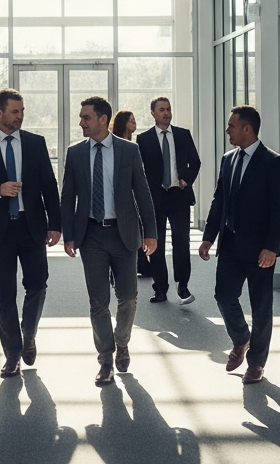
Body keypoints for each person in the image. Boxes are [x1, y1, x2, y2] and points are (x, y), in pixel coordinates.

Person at [0, 88, 61, 378]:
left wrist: (55, 224)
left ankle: (27, 334)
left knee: (38, 285)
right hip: (0, 230)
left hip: (32, 227)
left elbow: (49, 186)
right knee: (4, 294)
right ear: (0, 113)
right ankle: (12, 355)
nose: (20, 116)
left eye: (22, 111)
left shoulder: (35, 143)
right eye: (15, 111)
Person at [61, 96, 157, 387]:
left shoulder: (129, 150)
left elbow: (142, 192)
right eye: (81, 117)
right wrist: (69, 235)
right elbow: (68, 197)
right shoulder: (75, 153)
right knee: (97, 302)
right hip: (90, 235)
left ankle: (122, 342)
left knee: (128, 297)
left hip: (123, 234)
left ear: (103, 119)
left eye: (86, 117)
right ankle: (105, 359)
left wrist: (151, 232)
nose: (81, 122)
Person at [198, 105, 280, 385]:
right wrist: (208, 236)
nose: (228, 131)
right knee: (223, 295)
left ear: (247, 128)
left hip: (261, 249)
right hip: (230, 244)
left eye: (231, 126)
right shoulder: (227, 159)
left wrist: (271, 247)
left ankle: (257, 363)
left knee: (261, 308)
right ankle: (241, 339)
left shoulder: (273, 162)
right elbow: (219, 201)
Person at [136, 97, 200, 304]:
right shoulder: (143, 139)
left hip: (178, 195)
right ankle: (160, 289)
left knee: (181, 242)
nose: (166, 113)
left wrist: (186, 179)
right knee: (156, 244)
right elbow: (139, 171)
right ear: (153, 113)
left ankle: (183, 286)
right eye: (161, 110)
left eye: (168, 109)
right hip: (155, 199)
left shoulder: (183, 135)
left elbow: (196, 162)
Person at [110, 111, 150, 280]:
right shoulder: (116, 145)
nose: (135, 123)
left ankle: (141, 263)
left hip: (135, 193)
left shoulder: (135, 144)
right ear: (123, 123)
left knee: (136, 229)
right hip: (121, 197)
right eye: (132, 121)